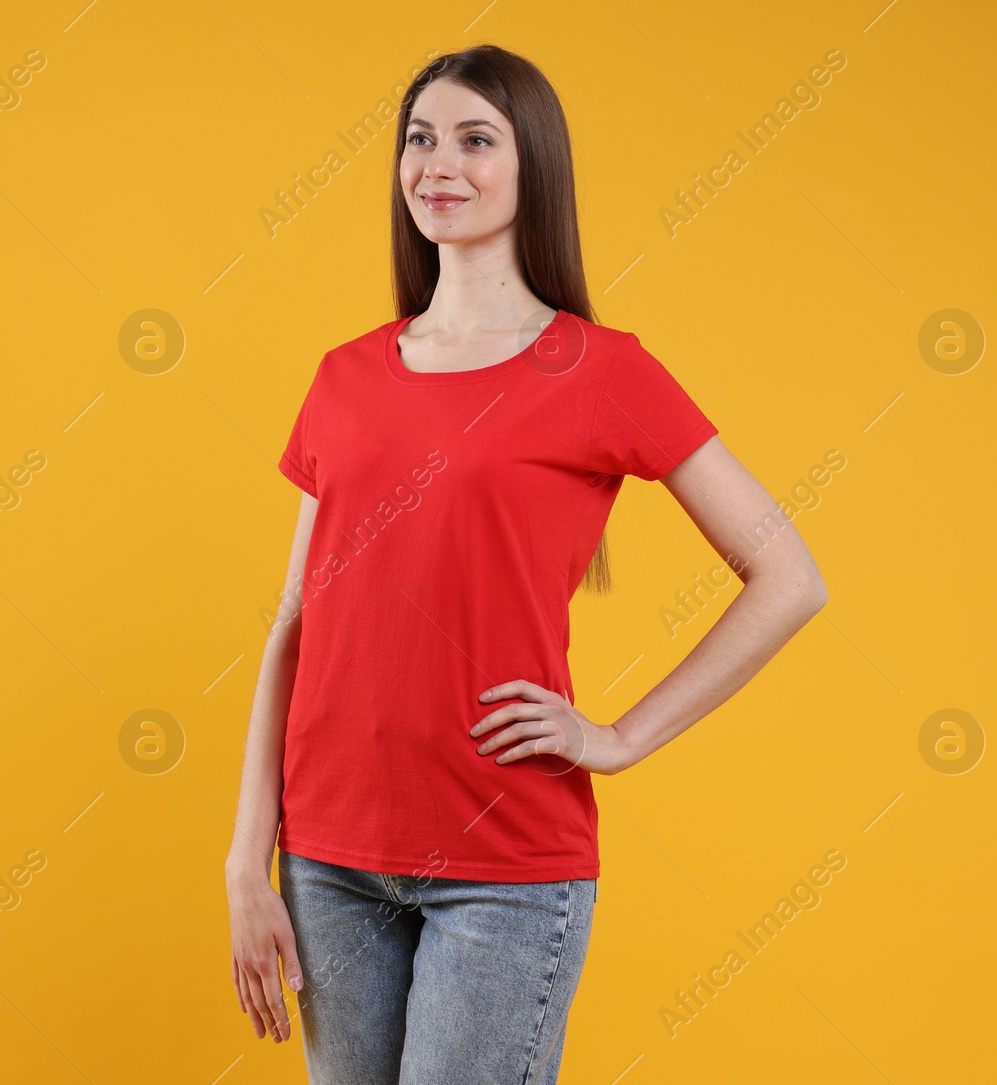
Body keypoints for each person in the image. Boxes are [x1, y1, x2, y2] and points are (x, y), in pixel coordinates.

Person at [225, 42, 827, 1084]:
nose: (436, 164)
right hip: (326, 861)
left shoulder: (600, 370)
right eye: (418, 139)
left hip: (503, 869)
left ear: (531, 165)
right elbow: (293, 620)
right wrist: (246, 857)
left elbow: (789, 576)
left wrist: (621, 735)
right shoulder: (346, 375)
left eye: (474, 139)